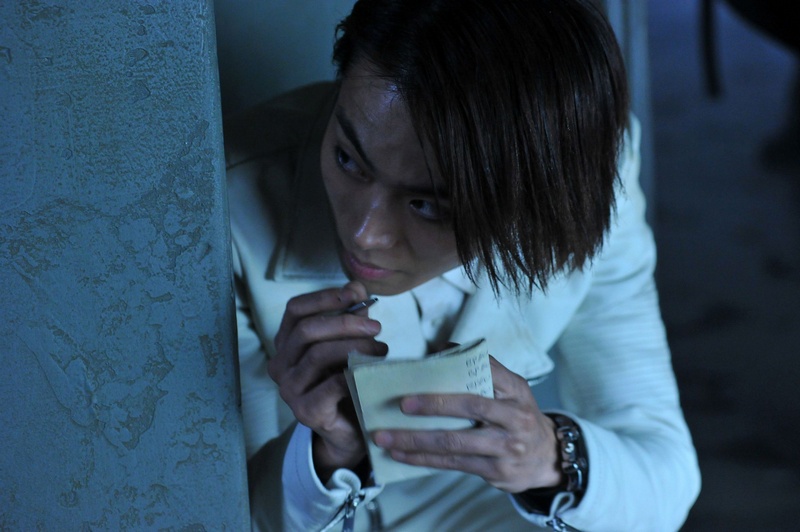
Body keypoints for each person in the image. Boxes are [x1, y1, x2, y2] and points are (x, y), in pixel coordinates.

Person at [224, 0, 701, 530]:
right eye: (347, 159)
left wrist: (549, 458)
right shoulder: (219, 210)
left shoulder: (588, 182)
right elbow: (225, 514)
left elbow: (666, 476)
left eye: (428, 205)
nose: (364, 233)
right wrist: (326, 457)